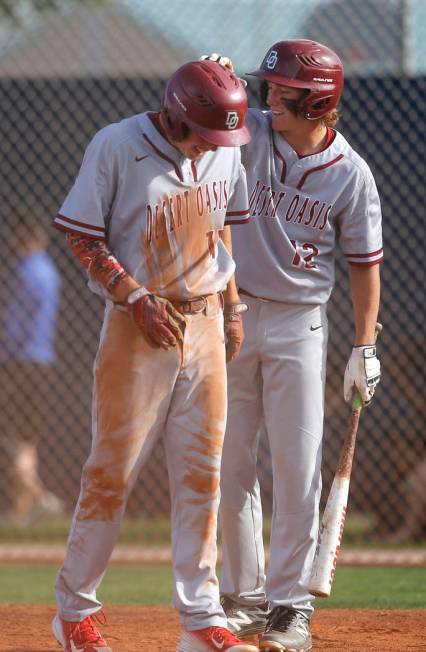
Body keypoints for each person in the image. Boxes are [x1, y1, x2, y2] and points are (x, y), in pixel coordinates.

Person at [51, 59, 259, 652]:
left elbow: (221, 230)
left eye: (222, 136)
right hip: (137, 327)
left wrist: (234, 306)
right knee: (111, 474)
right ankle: (73, 613)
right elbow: (81, 235)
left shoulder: (223, 147)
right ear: (174, 113)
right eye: (204, 134)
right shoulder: (117, 144)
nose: (211, 147)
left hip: (206, 323)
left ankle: (200, 620)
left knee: (203, 478)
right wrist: (133, 295)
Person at [206, 41, 383, 652]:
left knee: (298, 465)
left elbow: (365, 265)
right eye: (268, 86)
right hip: (234, 312)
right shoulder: (250, 131)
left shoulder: (351, 173)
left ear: (318, 100)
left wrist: (364, 345)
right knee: (230, 464)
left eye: (282, 89)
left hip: (300, 323)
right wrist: (216, 81)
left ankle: (291, 607)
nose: (268, 95)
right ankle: (245, 598)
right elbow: (213, 118)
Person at [0, 215, 62, 525]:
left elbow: (13, 326)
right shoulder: (48, 270)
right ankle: (22, 512)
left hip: (18, 362)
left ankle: (40, 498)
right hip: (40, 361)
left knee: (10, 437)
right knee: (25, 440)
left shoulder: (24, 271)